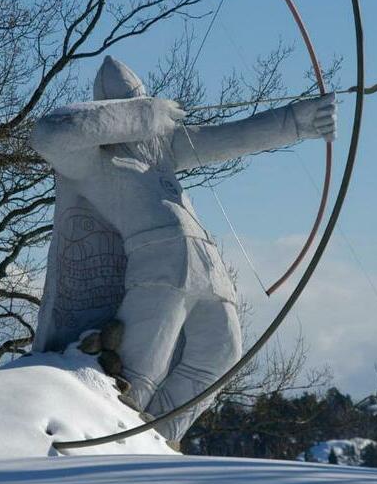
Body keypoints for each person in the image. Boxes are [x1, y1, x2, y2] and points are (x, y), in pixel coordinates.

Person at [30, 56, 336, 441]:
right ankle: (114, 441)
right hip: (159, 264)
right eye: (133, 105)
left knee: (219, 357)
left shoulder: (161, 149)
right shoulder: (92, 159)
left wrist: (299, 121)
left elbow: (234, 136)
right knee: (140, 372)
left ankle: (154, 439)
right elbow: (51, 132)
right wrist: (145, 115)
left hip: (210, 269)